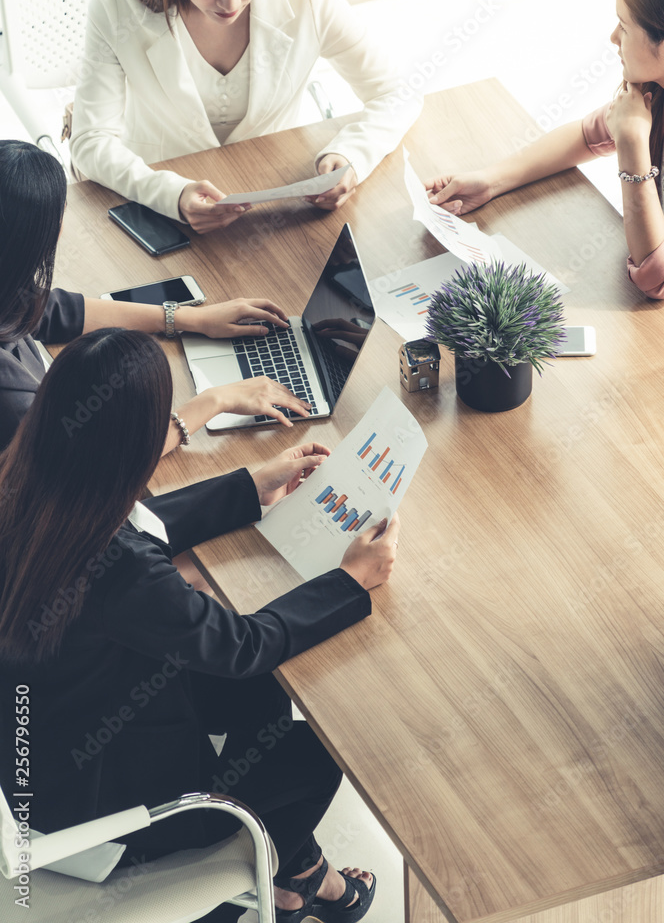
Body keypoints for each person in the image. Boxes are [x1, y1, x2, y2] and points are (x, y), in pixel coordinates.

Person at [0, 327, 399, 922]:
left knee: (268, 697)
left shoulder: (23, 486)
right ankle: (281, 878)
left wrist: (248, 488)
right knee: (328, 736)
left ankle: (296, 874)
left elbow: (123, 521)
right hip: (102, 813)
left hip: (43, 747)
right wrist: (350, 581)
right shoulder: (119, 572)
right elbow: (241, 645)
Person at [69, 0, 422, 233]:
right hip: (160, 215)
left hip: (276, 210)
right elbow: (90, 141)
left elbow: (396, 92)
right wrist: (170, 195)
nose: (231, 2)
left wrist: (350, 158)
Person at [0, 139, 311, 453]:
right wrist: (215, 400)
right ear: (30, 238)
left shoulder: (7, 289)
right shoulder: (11, 398)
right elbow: (96, 463)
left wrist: (191, 318)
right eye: (60, 215)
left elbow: (50, 309)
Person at [425, 0, 664, 300]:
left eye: (624, 26)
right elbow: (587, 136)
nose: (613, 38)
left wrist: (631, 144)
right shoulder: (655, 92)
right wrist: (491, 180)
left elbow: (655, 278)